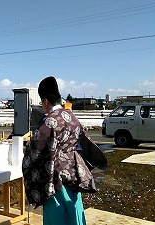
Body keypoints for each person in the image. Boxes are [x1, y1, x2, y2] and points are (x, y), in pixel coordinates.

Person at [22, 76, 97, 225]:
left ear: (45, 101)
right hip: (73, 174)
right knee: (73, 214)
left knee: (56, 217)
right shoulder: (71, 116)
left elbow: (35, 150)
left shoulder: (50, 121)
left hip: (55, 178)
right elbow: (83, 142)